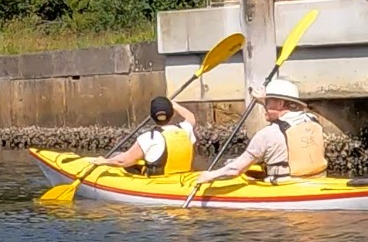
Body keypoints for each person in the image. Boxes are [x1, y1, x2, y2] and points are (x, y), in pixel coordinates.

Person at [194, 77, 328, 185]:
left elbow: (235, 170)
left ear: (280, 104)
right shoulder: (312, 119)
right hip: (317, 179)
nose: (265, 107)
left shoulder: (267, 134)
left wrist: (209, 176)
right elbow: (286, 115)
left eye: (268, 102)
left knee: (234, 165)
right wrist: (265, 101)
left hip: (285, 184)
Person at [104, 95, 196, 176]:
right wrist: (173, 104)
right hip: (183, 177)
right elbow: (190, 117)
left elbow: (124, 161)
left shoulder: (149, 138)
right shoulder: (185, 129)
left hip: (159, 182)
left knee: (116, 155)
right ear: (172, 113)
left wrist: (105, 161)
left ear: (152, 116)